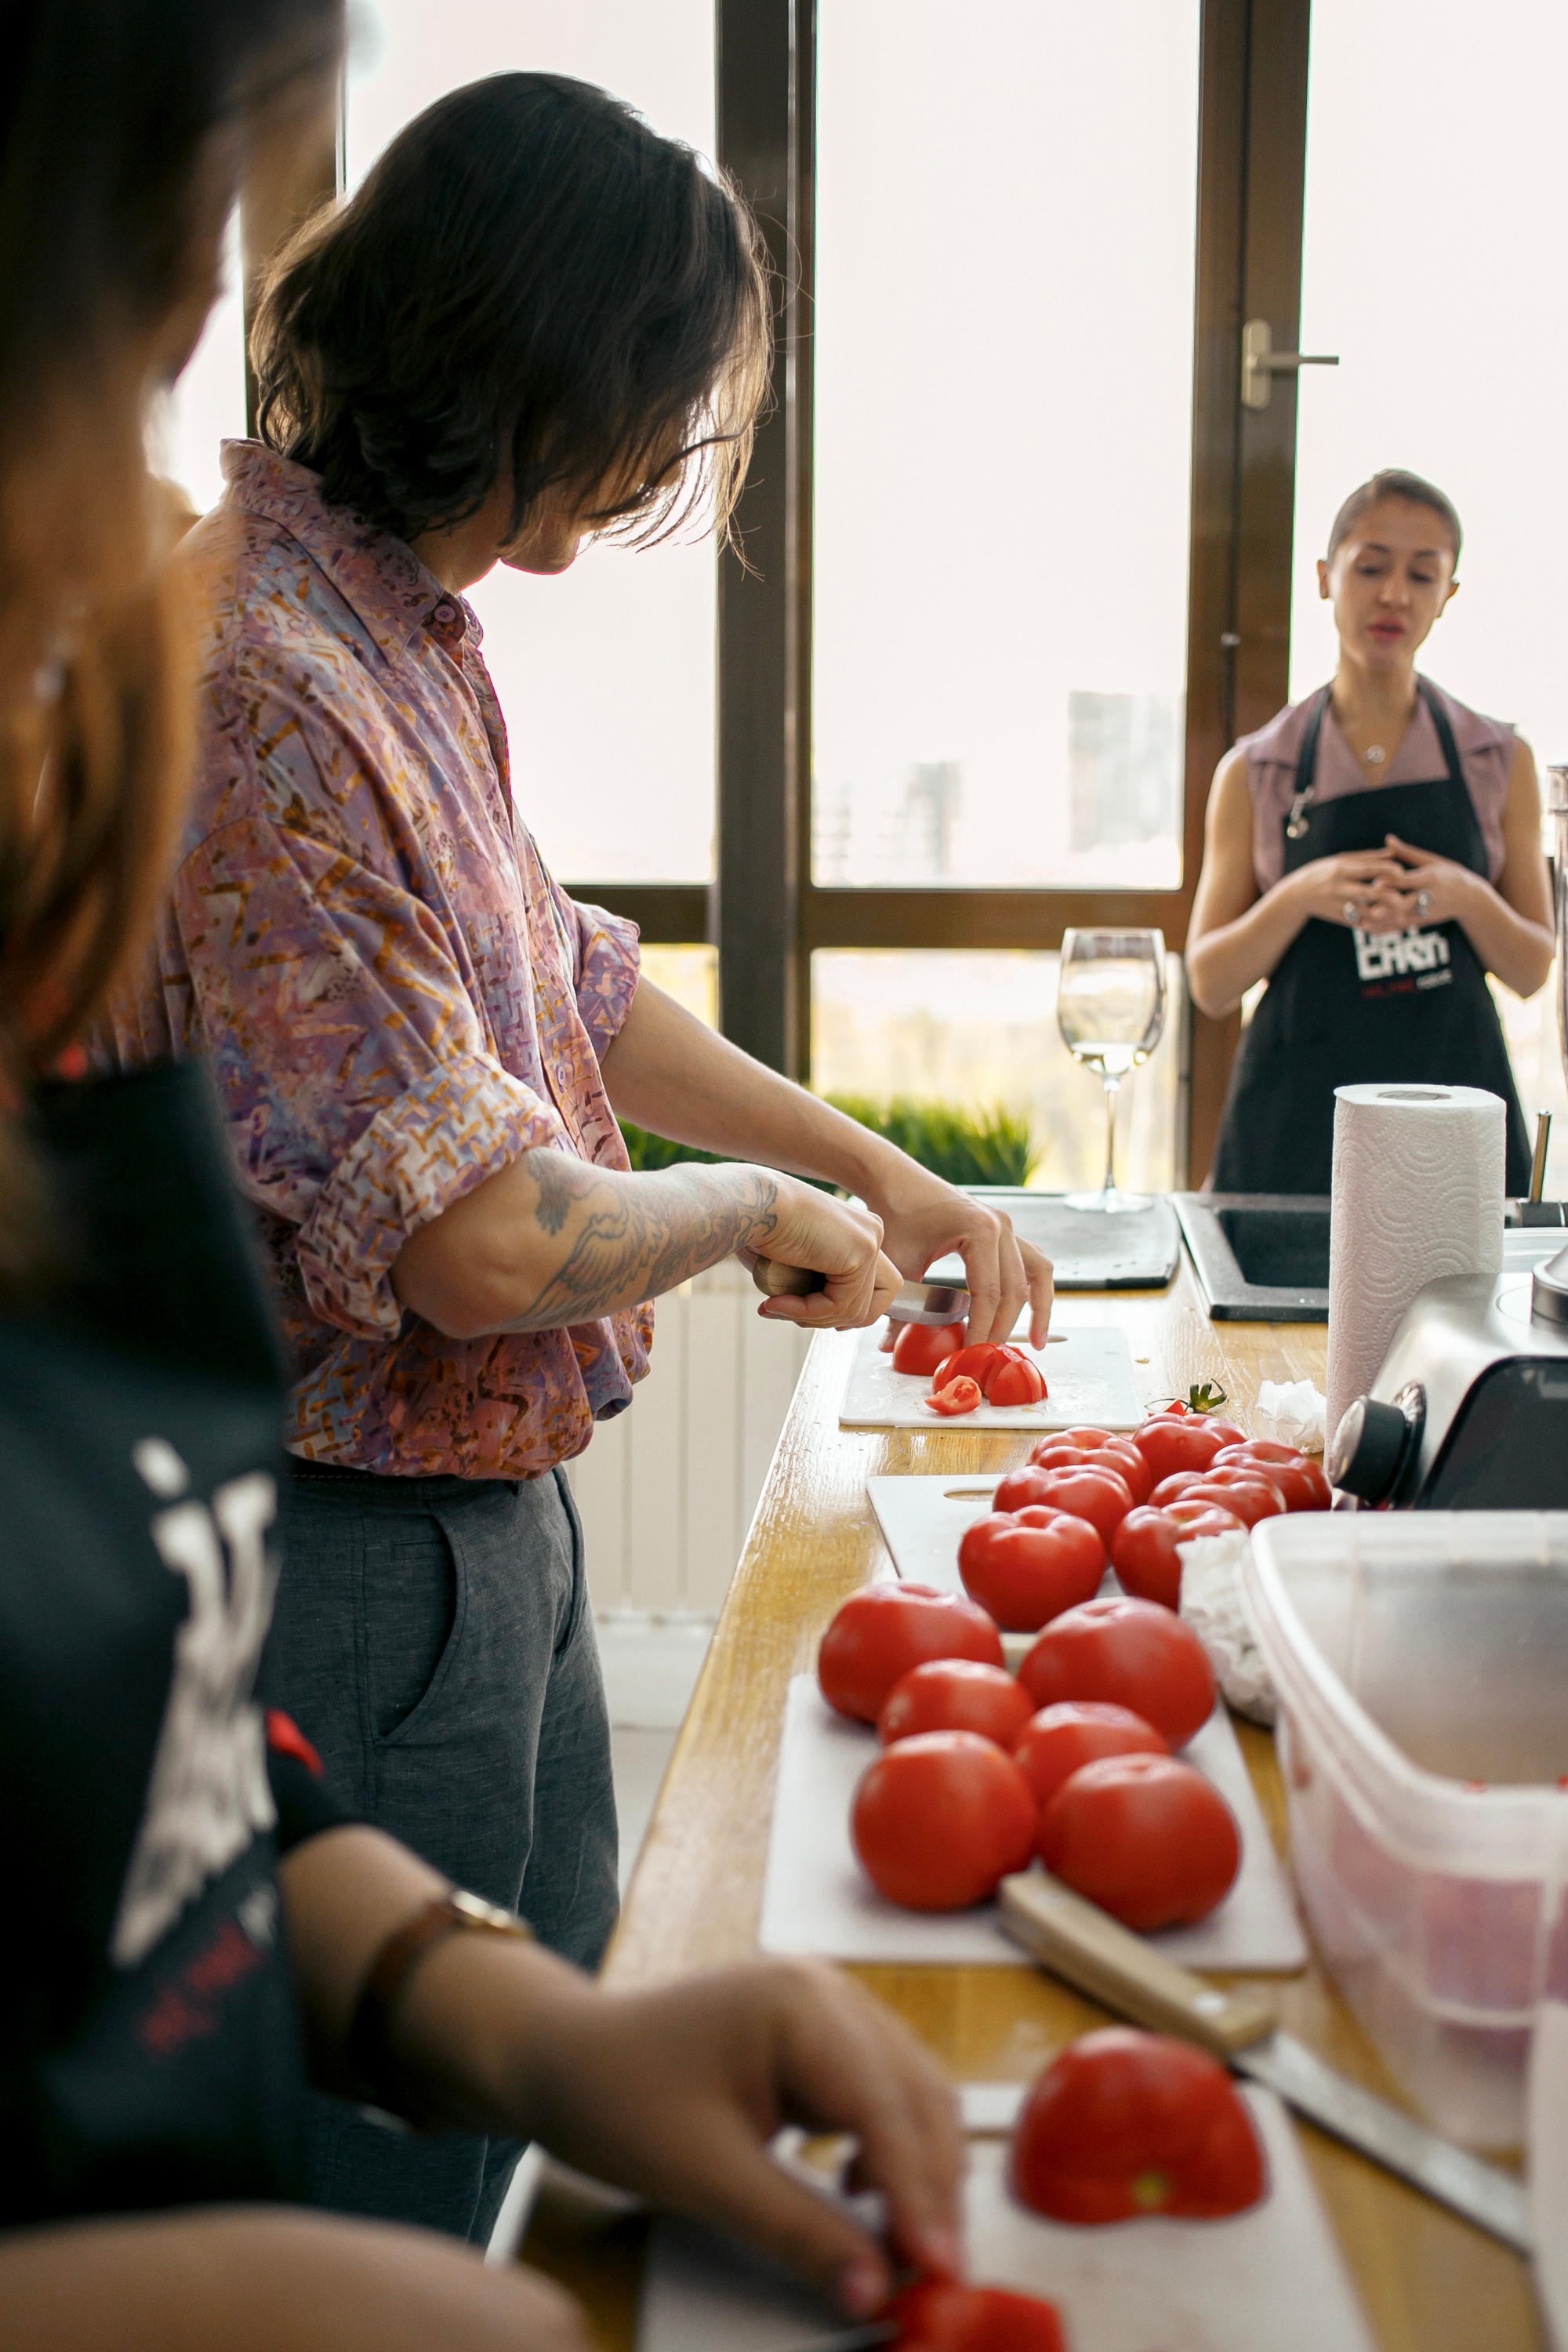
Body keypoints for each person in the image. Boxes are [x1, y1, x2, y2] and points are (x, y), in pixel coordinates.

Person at [0, 9, 967, 2344]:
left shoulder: (395, 630)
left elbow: (571, 984)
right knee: (392, 2214)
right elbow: (467, 1237)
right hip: (358, 1557)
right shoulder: (259, 669)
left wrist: (867, 1163)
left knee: (509, 2143)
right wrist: (752, 1221)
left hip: (478, 1542)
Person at [1187, 468, 1554, 1195]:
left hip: (1455, 1127)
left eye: (1422, 575)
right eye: (1371, 567)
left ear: (1447, 596)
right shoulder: (1257, 769)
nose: (1394, 594)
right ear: (1326, 578)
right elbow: (1210, 981)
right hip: (1294, 1130)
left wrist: (1463, 896)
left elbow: (1532, 969)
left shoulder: (1500, 760)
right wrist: (1299, 895)